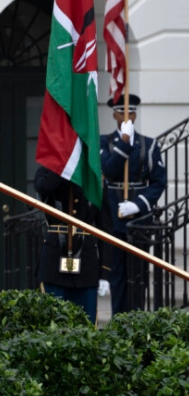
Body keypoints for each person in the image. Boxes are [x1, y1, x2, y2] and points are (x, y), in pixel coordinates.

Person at [100, 94, 167, 315]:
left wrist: (139, 204)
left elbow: (158, 182)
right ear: (114, 114)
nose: (127, 116)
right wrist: (124, 144)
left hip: (139, 220)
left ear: (135, 114)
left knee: (138, 276)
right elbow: (108, 170)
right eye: (122, 112)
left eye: (131, 112)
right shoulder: (105, 142)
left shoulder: (149, 145)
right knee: (117, 274)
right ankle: (118, 322)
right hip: (112, 217)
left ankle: (136, 321)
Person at [34, 166, 108, 323]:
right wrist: (63, 165)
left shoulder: (93, 175)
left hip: (86, 258)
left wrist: (105, 272)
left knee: (86, 324)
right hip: (54, 258)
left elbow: (105, 228)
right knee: (53, 322)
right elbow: (44, 188)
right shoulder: (47, 170)